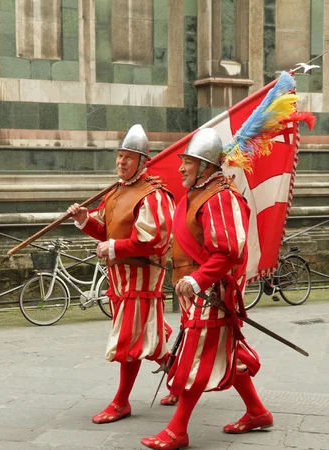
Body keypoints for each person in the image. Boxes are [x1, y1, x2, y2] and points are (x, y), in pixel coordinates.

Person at [141, 128, 272, 450]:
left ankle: (177, 430)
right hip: (197, 290)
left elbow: (228, 251)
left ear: (205, 165)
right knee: (224, 350)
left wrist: (200, 279)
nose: (181, 168)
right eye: (183, 161)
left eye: (188, 162)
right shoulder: (198, 192)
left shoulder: (220, 196)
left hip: (211, 291)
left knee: (194, 357)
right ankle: (257, 412)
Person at [67, 124, 176, 424]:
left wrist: (114, 248)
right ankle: (178, 376)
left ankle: (121, 402)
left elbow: (155, 240)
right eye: (119, 156)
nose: (121, 162)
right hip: (120, 283)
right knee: (144, 337)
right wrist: (83, 220)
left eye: (129, 157)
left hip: (142, 282)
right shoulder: (114, 192)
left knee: (130, 341)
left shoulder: (154, 195)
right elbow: (105, 229)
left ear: (143, 161)